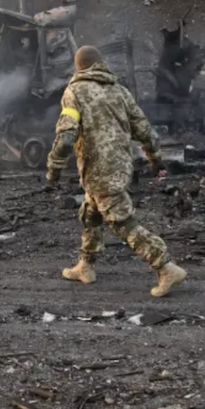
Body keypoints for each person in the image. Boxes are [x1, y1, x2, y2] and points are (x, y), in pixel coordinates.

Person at [46, 45, 187, 297]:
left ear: (79, 68)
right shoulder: (119, 90)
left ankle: (166, 267)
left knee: (122, 222)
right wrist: (155, 159)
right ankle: (85, 266)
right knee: (91, 214)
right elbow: (143, 129)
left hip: (99, 171)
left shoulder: (74, 92)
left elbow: (66, 137)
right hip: (121, 166)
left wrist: (53, 169)